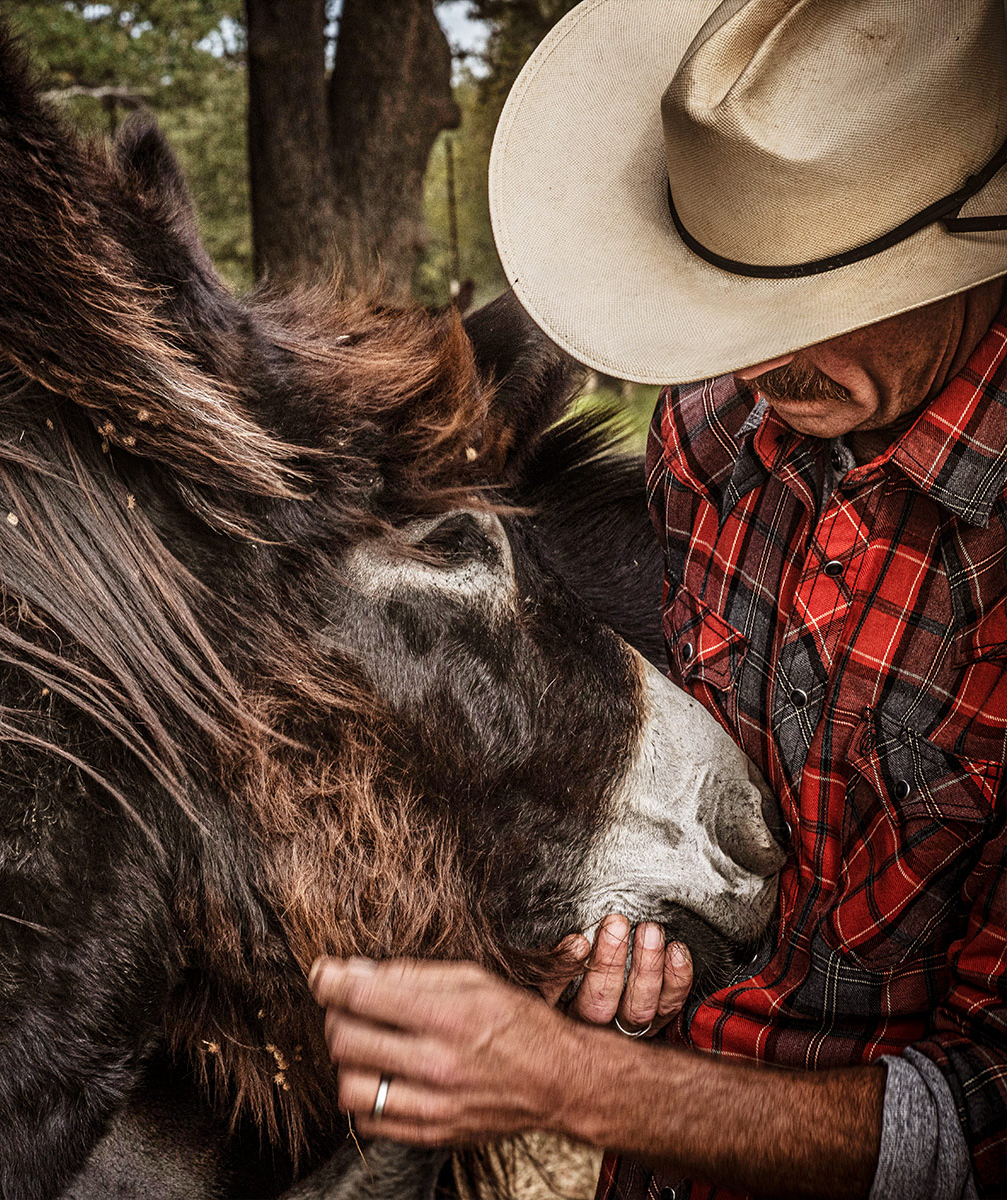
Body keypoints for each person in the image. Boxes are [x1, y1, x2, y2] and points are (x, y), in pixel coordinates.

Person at [307, 1, 1007, 1197]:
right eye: (739, 294)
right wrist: (635, 938)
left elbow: (991, 1117)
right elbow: (695, 791)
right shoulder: (710, 433)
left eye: (828, 295)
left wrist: (571, 1085)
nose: (764, 356)